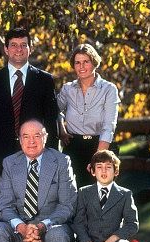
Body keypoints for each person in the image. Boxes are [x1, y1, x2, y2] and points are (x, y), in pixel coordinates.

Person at [0, 27, 59, 165]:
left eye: (23, 45)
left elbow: (51, 122)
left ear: (30, 48)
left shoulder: (45, 80)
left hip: (34, 154)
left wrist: (52, 158)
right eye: (14, 45)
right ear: (6, 49)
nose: (19, 49)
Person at [57, 43, 120, 187]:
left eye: (86, 61)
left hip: (101, 145)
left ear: (94, 63)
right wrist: (61, 129)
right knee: (73, 196)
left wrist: (98, 158)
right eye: (77, 62)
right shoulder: (68, 89)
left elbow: (108, 126)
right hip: (73, 147)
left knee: (98, 196)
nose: (81, 66)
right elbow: (53, 110)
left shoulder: (109, 89)